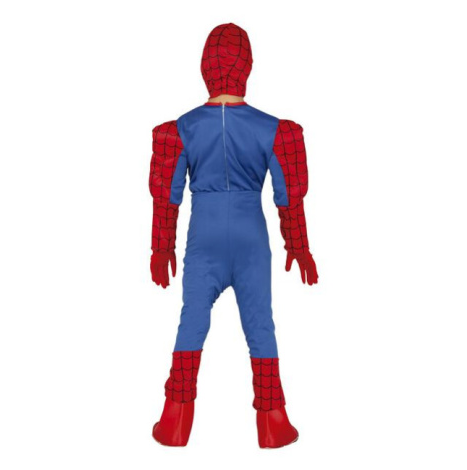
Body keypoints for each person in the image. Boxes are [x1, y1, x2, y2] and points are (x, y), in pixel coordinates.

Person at [149, 22, 318, 448]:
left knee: (192, 321)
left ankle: (175, 422)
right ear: (247, 66)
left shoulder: (181, 129)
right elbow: (288, 197)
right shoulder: (273, 129)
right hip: (251, 240)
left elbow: (167, 196)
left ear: (205, 66)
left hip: (202, 240)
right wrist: (299, 245)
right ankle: (273, 423)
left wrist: (161, 247)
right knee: (261, 326)